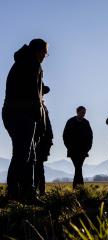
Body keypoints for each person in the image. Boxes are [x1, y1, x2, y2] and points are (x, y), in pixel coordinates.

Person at [2, 39, 49, 202]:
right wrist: (38, 117)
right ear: (38, 50)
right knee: (23, 155)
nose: (45, 56)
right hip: (22, 114)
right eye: (45, 52)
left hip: (13, 112)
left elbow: (28, 88)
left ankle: (27, 193)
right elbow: (32, 93)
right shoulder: (32, 65)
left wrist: (43, 88)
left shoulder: (23, 63)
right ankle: (14, 194)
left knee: (29, 155)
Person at [63, 106, 93, 188]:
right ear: (77, 112)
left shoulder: (86, 123)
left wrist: (88, 148)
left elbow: (90, 136)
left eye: (84, 113)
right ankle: (80, 188)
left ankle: (77, 188)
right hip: (73, 150)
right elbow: (65, 135)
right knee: (78, 168)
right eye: (82, 112)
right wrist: (68, 147)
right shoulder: (70, 121)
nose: (83, 114)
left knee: (78, 168)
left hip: (83, 150)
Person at [34, 85, 53, 196]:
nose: (43, 94)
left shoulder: (43, 107)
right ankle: (35, 191)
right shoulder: (36, 106)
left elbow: (47, 126)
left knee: (39, 167)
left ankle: (41, 191)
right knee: (35, 166)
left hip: (42, 141)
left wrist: (49, 138)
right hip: (36, 141)